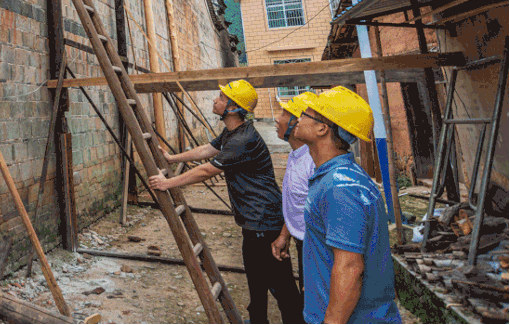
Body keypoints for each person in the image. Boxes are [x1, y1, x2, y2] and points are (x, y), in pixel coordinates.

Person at [148, 79, 303, 324]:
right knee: (257, 287)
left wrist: (168, 183)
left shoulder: (243, 140)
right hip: (254, 223)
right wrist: (172, 157)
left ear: (232, 108)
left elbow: (207, 170)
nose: (215, 100)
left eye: (220, 98)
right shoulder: (234, 132)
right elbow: (207, 150)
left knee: (283, 291)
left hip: (265, 223)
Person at [292, 86, 402, 324]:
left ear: (323, 128)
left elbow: (350, 268)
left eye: (306, 113)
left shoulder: (340, 188)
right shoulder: (337, 177)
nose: (298, 117)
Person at [270, 90, 317, 301]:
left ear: (297, 123)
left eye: (283, 114)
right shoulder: (295, 156)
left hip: (317, 246)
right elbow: (297, 203)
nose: (276, 119)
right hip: (302, 241)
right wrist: (284, 235)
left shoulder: (313, 162)